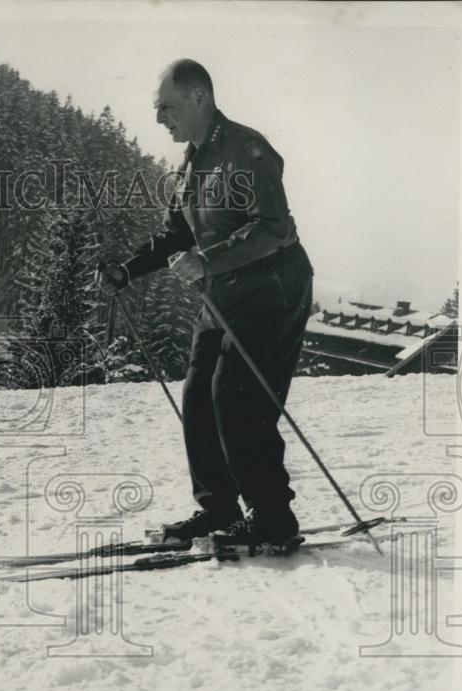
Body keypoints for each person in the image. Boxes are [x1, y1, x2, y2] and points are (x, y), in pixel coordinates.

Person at [97, 59, 315, 549]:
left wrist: (207, 259)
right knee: (198, 397)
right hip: (221, 294)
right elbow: (177, 234)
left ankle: (273, 516)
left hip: (271, 290)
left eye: (166, 107)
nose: (159, 120)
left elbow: (276, 228)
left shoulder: (247, 149)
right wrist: (126, 269)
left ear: (199, 97)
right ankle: (218, 509)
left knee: (235, 397)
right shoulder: (191, 162)